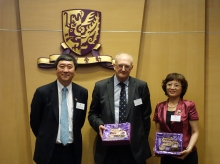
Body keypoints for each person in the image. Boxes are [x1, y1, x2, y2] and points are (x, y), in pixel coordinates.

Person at [88, 52, 152, 164]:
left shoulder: (141, 86)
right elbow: (93, 114)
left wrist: (141, 138)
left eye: (127, 66)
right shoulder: (101, 86)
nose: (123, 69)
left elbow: (145, 116)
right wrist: (99, 125)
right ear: (114, 66)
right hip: (108, 145)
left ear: (131, 68)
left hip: (133, 147)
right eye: (120, 65)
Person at [30, 54, 88, 164]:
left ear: (75, 71)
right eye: (62, 66)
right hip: (49, 150)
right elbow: (35, 122)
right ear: (56, 69)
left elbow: (80, 121)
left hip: (72, 150)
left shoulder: (82, 92)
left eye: (69, 67)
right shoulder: (42, 92)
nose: (66, 70)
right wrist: (46, 137)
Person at [153, 73, 199, 164]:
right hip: (166, 153)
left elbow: (195, 131)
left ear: (182, 88)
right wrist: (157, 145)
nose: (172, 87)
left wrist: (189, 149)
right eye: (169, 84)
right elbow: (158, 130)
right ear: (165, 87)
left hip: (186, 153)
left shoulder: (189, 105)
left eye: (176, 85)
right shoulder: (159, 106)